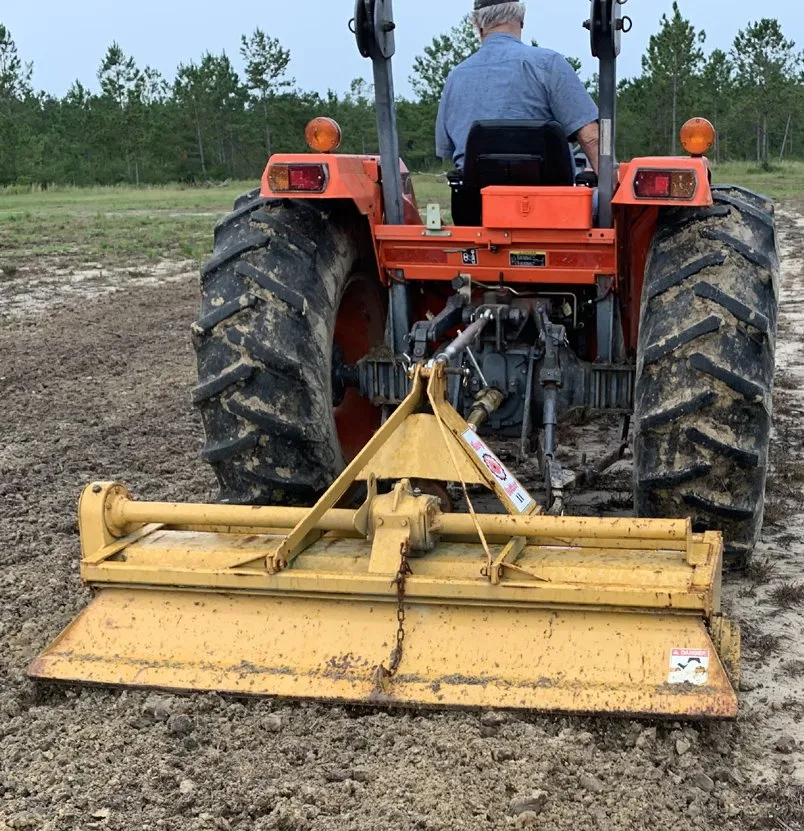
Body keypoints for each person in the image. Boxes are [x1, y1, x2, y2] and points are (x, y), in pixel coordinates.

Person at [436, 0, 600, 174]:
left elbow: (449, 149)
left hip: (476, 198)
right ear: (522, 19)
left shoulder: (455, 78)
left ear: (477, 25)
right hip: (547, 198)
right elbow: (591, 138)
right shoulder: (549, 65)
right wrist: (611, 187)